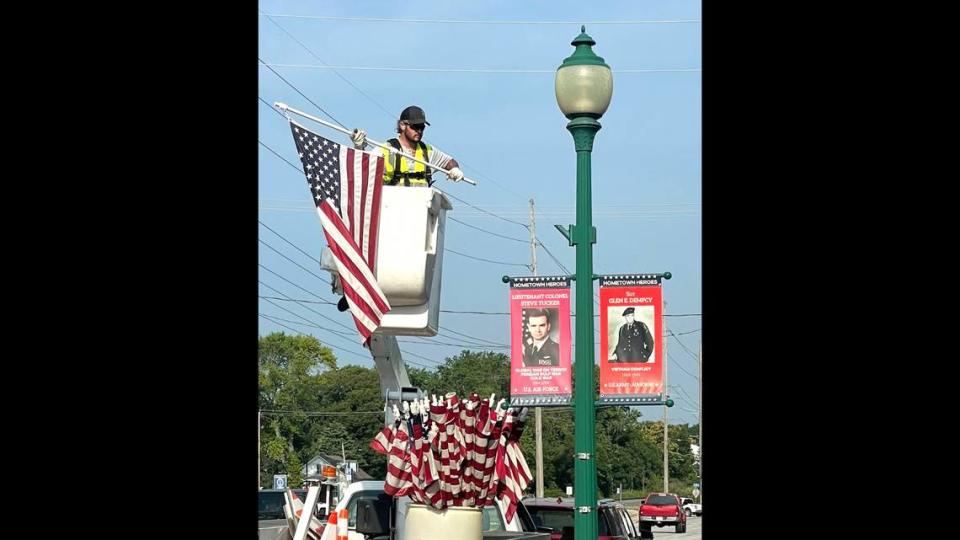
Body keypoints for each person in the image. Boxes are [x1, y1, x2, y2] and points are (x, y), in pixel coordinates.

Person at [350, 105, 464, 186]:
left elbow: (449, 161)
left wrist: (455, 168)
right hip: (391, 210)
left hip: (421, 212)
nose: (419, 131)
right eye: (415, 126)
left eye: (422, 127)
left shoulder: (428, 151)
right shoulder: (386, 150)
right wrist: (359, 147)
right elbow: (363, 167)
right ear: (402, 125)